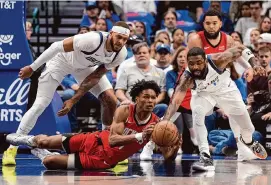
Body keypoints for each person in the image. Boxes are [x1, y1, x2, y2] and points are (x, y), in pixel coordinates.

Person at [2, 21, 129, 166]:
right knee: (39, 105)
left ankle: (107, 146)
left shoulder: (121, 53)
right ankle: (12, 148)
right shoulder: (92, 39)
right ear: (111, 33)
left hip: (84, 68)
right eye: (119, 37)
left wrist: (73, 100)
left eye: (125, 39)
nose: (121, 42)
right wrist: (32, 68)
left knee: (110, 100)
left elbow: (95, 76)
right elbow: (56, 46)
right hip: (60, 62)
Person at [6, 80, 180, 170]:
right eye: (146, 96)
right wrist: (140, 136)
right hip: (94, 139)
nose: (150, 101)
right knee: (43, 141)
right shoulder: (125, 110)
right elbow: (113, 140)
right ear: (136, 98)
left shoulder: (158, 125)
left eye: (153, 97)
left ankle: (40, 152)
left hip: (101, 160)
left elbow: (167, 157)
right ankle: (25, 139)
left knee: (50, 162)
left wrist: (173, 148)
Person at [163, 46, 267, 172]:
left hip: (226, 91)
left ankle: (248, 141)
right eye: (191, 64)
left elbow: (240, 48)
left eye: (198, 63)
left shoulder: (218, 59)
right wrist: (166, 120)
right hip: (204, 94)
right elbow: (175, 101)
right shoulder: (187, 78)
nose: (195, 67)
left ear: (205, 61)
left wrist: (253, 65)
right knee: (197, 112)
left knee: (248, 128)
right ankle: (205, 157)